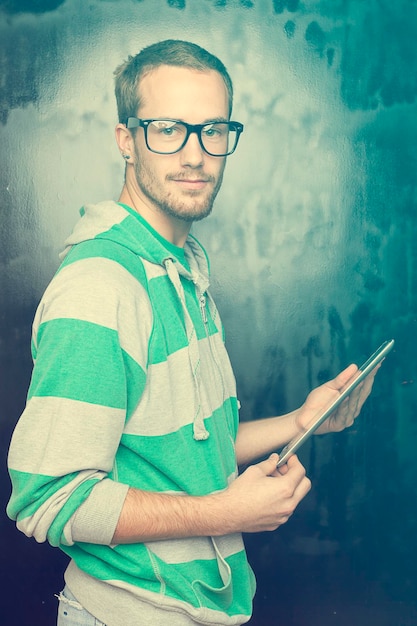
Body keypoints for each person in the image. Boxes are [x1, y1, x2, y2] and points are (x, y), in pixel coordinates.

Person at [7, 39, 378, 626]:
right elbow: (47, 499)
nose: (195, 154)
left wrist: (299, 423)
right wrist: (223, 512)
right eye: (167, 130)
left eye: (212, 130)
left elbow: (178, 453)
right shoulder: (101, 286)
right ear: (126, 140)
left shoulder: (182, 270)